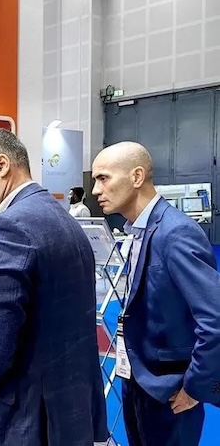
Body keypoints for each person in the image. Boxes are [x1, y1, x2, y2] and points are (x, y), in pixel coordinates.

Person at [0, 128, 108, 445]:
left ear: (2, 165)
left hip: (19, 422)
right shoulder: (65, 221)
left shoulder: (8, 227)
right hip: (68, 417)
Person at [91, 141, 220, 446]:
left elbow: (215, 318)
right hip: (137, 381)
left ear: (137, 177)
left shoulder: (175, 232)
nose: (96, 190)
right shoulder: (137, 230)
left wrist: (195, 387)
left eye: (104, 178)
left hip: (171, 393)